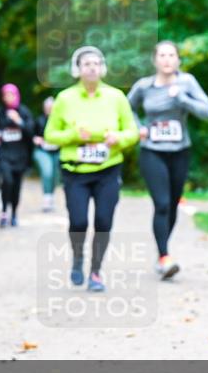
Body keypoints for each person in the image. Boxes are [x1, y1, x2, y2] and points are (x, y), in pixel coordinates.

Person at [43, 46, 139, 293]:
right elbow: (50, 134)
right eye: (86, 63)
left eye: (97, 63)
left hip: (108, 169)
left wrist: (118, 138)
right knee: (78, 221)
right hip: (75, 171)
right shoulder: (64, 98)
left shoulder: (116, 96)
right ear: (77, 69)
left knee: (104, 221)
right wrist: (74, 135)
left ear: (103, 67)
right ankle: (77, 258)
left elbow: (132, 131)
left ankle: (95, 272)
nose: (92, 67)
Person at [128, 41, 208, 280]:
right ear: (155, 60)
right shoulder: (144, 86)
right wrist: (138, 127)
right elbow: (126, 107)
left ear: (177, 60)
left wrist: (182, 99)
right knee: (162, 203)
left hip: (180, 151)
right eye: (162, 55)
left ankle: (161, 254)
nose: (167, 59)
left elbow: (207, 111)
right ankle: (165, 256)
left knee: (173, 203)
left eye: (171, 55)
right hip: (152, 150)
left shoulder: (186, 82)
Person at [0, 84, 34, 227]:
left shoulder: (23, 111)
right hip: (5, 155)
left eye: (11, 95)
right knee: (7, 181)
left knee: (16, 187)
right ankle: (4, 212)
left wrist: (19, 121)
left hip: (20, 156)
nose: (8, 98)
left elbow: (31, 132)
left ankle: (14, 214)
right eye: (5, 95)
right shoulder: (0, 111)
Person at [32, 96, 61, 212]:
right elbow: (32, 135)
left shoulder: (60, 122)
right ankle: (46, 198)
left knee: (56, 175)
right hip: (43, 151)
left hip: (57, 151)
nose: (49, 109)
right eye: (47, 107)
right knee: (47, 172)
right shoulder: (39, 120)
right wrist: (36, 139)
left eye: (51, 107)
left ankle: (51, 196)